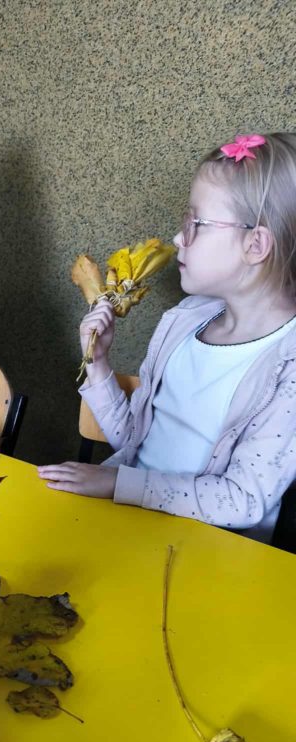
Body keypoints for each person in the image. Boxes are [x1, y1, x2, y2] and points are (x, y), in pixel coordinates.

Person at [38, 132, 296, 542]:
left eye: (196, 224)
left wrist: (119, 484)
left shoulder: (287, 366)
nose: (178, 238)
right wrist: (99, 366)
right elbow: (133, 442)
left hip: (210, 550)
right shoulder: (183, 321)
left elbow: (243, 499)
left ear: (256, 244)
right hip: (130, 521)